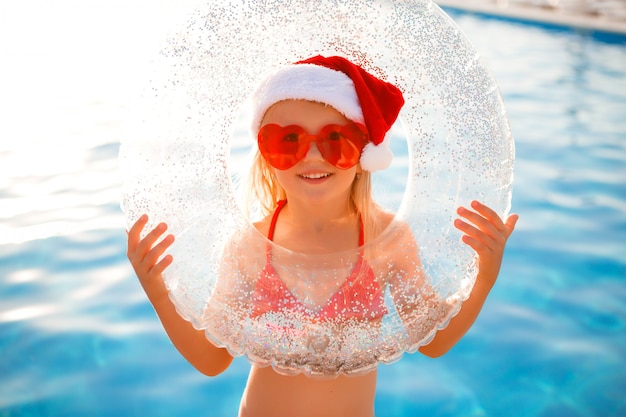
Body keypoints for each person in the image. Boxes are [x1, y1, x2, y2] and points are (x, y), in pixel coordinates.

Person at [126, 55, 518, 417]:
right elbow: (211, 360)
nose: (313, 157)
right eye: (288, 141)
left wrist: (484, 277)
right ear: (265, 155)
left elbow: (433, 339)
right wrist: (158, 291)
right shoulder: (250, 246)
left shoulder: (386, 241)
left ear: (364, 153)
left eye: (335, 141)